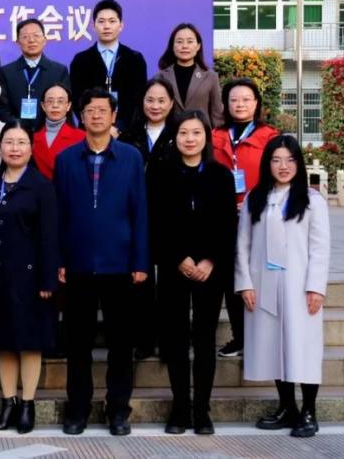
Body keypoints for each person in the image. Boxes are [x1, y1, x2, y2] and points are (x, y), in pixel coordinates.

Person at [54, 88, 148, 436]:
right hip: (77, 265)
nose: (96, 116)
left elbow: (140, 212)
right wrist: (59, 258)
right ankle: (77, 409)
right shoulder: (66, 159)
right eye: (89, 110)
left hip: (120, 265)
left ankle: (118, 410)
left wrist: (140, 260)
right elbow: (59, 214)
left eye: (102, 110)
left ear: (114, 116)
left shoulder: (131, 157)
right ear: (81, 117)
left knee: (121, 345)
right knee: (77, 345)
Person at [147, 111, 237, 435]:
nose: (190, 139)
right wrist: (177, 258)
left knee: (204, 339)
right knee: (175, 339)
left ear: (206, 138)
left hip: (209, 271)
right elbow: (155, 222)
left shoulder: (220, 175)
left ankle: (202, 409)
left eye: (196, 133)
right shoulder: (161, 173)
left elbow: (227, 225)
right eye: (184, 133)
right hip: (174, 269)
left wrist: (210, 260)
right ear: (175, 137)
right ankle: (180, 408)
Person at [236, 135, 330, 439]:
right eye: (276, 160)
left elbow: (320, 248)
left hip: (299, 285)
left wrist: (316, 287)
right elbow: (243, 244)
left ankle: (309, 411)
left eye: (290, 160)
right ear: (268, 164)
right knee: (274, 346)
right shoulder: (256, 198)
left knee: (303, 347)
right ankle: (287, 406)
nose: (283, 166)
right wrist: (245, 283)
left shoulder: (312, 200)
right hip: (263, 282)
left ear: (299, 164)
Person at [0, 119, 58, 434]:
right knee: (4, 342)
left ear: (31, 148)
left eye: (21, 142)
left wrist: (48, 279)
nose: (15, 148)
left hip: (29, 279)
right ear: (0, 146)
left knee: (29, 343)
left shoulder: (41, 186)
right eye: (9, 142)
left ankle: (27, 405)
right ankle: (7, 404)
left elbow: (49, 236)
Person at [212, 78, 281, 359]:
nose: (239, 104)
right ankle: (240, 337)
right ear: (226, 104)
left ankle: (263, 337)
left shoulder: (270, 137)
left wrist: (257, 203)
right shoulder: (215, 136)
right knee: (232, 279)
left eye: (246, 99)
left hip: (258, 217)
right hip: (224, 219)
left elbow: (279, 176)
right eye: (234, 100)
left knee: (259, 278)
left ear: (256, 103)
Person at [119, 77, 177, 360]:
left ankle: (168, 342)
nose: (155, 106)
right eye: (150, 100)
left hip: (170, 217)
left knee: (169, 284)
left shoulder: (180, 134)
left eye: (161, 100)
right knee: (139, 282)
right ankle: (142, 340)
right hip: (135, 217)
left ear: (171, 103)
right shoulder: (128, 136)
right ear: (141, 103)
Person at [68, 0, 147, 131]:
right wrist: (94, 125)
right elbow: (77, 100)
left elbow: (139, 98)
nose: (106, 26)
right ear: (93, 26)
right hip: (90, 131)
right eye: (101, 21)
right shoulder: (81, 60)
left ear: (121, 25)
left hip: (126, 133)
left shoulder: (134, 59)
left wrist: (119, 127)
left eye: (112, 21)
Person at [1, 19, 69, 127]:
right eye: (25, 37)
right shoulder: (6, 72)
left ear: (45, 40)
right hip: (16, 133)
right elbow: (2, 109)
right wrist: (17, 129)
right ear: (17, 42)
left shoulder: (59, 71)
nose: (31, 40)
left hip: (50, 132)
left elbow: (65, 107)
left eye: (36, 35)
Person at [155, 23, 224, 127]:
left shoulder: (210, 77)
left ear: (198, 46)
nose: (184, 46)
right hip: (171, 134)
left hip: (200, 134)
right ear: (172, 46)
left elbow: (217, 115)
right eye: (179, 41)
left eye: (190, 41)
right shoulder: (161, 77)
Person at [31, 83, 85, 181]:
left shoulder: (82, 138)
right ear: (43, 106)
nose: (55, 105)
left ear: (68, 106)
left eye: (60, 101)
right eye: (50, 101)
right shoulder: (31, 138)